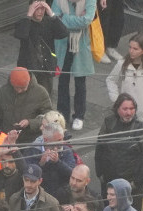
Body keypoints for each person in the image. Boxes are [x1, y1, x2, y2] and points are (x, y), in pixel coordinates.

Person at [94, 96, 143, 203]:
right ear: (117, 109)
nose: (128, 113)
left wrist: (137, 182)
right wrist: (100, 174)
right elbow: (99, 149)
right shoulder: (108, 123)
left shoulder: (141, 128)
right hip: (109, 182)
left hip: (131, 186)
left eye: (131, 109)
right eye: (125, 109)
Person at [52, 0, 98, 130]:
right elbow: (55, 20)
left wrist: (64, 17)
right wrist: (77, 20)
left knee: (80, 81)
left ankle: (79, 116)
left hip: (80, 44)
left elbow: (86, 20)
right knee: (62, 81)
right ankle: (62, 115)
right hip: (62, 43)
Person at [14, 0, 70, 96]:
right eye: (37, 9)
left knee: (45, 96)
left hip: (46, 68)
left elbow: (64, 33)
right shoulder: (23, 22)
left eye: (43, 8)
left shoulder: (49, 22)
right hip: (28, 69)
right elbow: (21, 34)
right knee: (27, 97)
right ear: (31, 8)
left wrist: (51, 14)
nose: (40, 12)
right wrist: (29, 15)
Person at [106, 34, 143, 121]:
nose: (131, 51)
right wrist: (116, 99)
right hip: (126, 113)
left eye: (135, 49)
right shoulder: (122, 63)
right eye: (130, 47)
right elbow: (111, 80)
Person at [0, 68, 54, 145]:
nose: (19, 91)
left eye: (22, 88)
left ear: (28, 82)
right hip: (7, 139)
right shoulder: (3, 92)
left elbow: (49, 117)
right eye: (16, 87)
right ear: (11, 83)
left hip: (30, 140)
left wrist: (30, 122)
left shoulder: (40, 93)